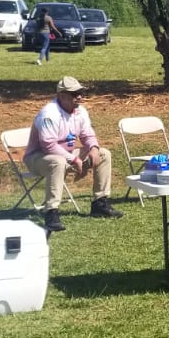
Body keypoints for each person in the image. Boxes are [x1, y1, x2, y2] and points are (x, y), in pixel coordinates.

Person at [24, 76, 123, 230]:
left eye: (81, 92)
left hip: (66, 154)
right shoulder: (49, 114)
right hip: (38, 158)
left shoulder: (80, 111)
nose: (79, 97)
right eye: (75, 93)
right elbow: (48, 145)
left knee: (104, 154)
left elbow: (87, 135)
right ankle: (51, 211)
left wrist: (94, 148)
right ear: (62, 95)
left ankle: (100, 203)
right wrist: (74, 159)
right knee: (58, 161)